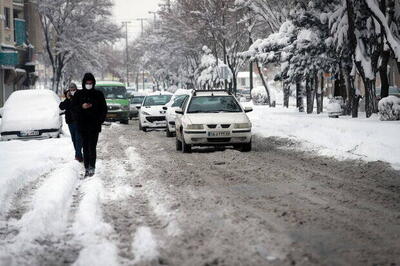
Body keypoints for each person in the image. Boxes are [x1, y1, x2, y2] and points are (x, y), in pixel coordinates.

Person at [72, 73, 107, 177]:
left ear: (93, 83)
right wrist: (82, 107)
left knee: (92, 147)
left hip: (94, 126)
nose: (89, 84)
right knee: (85, 147)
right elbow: (73, 109)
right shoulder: (78, 94)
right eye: (87, 83)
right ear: (84, 83)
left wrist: (99, 120)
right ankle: (87, 167)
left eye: (90, 83)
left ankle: (92, 167)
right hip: (82, 126)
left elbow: (104, 109)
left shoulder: (98, 94)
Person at [59, 83, 83, 162]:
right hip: (70, 121)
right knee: (74, 139)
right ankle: (79, 154)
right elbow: (61, 106)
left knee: (78, 138)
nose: (72, 90)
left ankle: (77, 156)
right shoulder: (67, 97)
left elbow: (79, 106)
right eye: (71, 89)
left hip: (79, 121)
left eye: (74, 89)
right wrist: (68, 99)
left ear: (76, 89)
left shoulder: (80, 95)